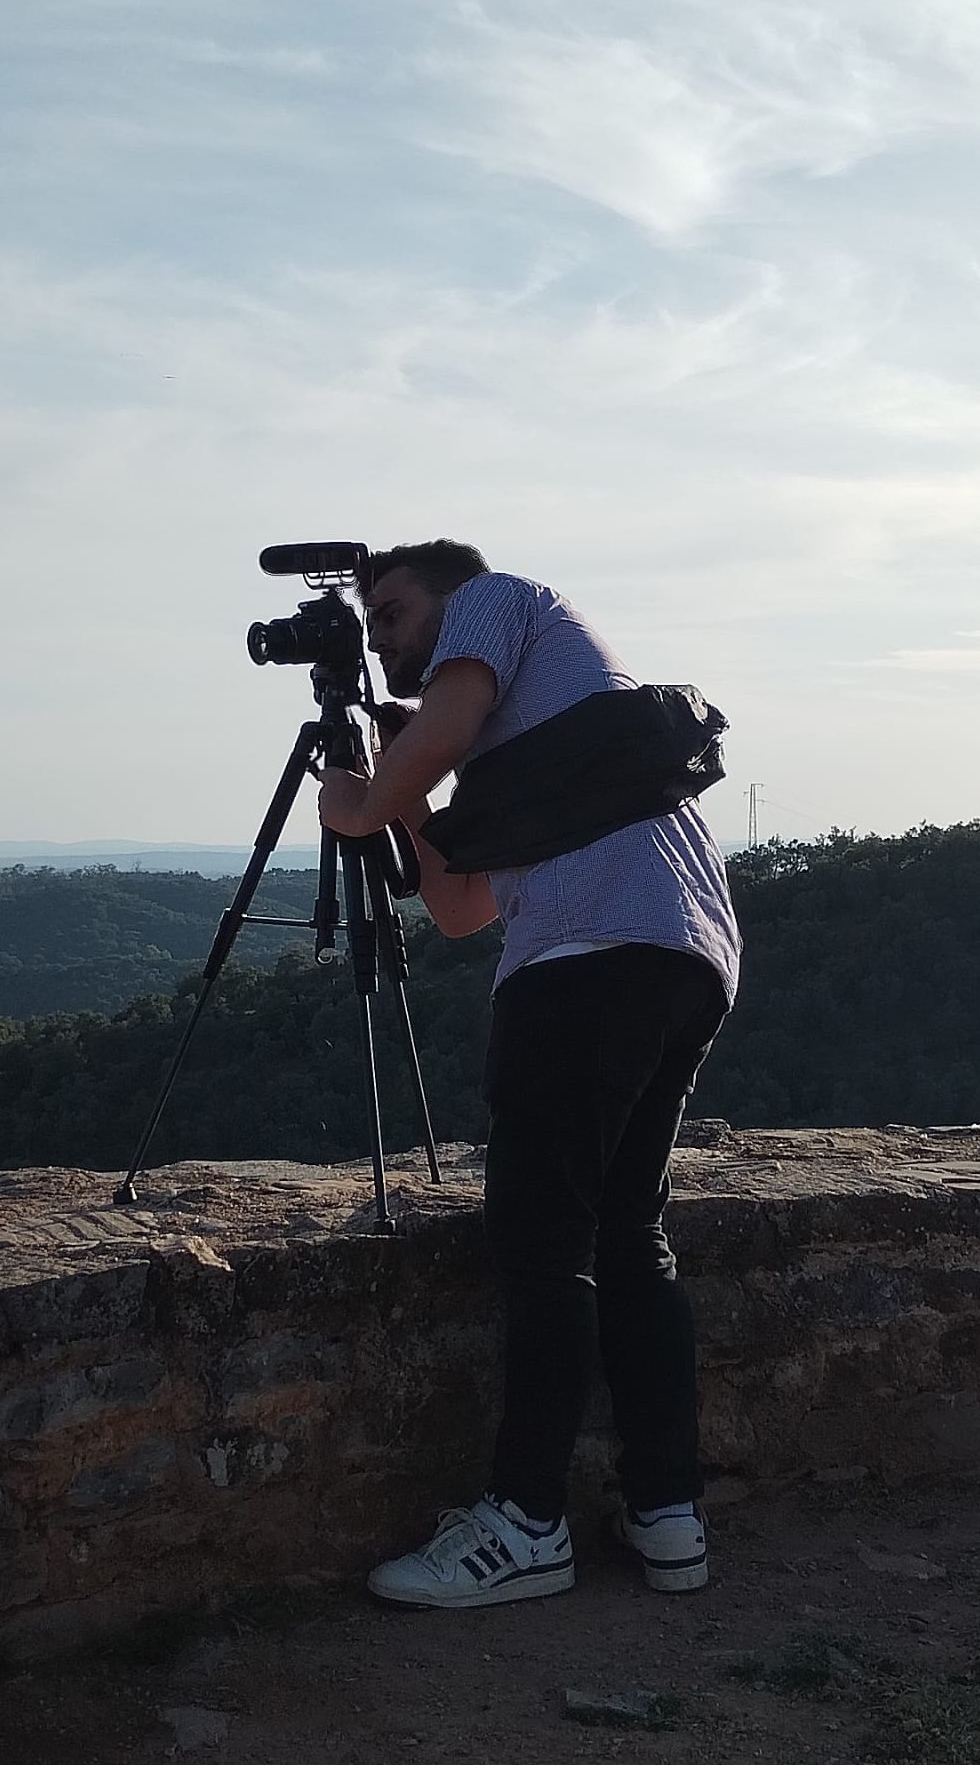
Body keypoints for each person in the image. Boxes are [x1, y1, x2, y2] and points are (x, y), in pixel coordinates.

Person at [317, 540, 740, 1609]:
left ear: (451, 597)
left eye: (393, 613)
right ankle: (667, 1511)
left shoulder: (500, 597)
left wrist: (361, 805)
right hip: (679, 953)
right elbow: (463, 910)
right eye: (371, 627)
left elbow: (446, 726)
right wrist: (402, 793)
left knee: (541, 1243)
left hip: (588, 955)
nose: (382, 640)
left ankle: (525, 1523)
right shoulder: (525, 750)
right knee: (624, 1235)